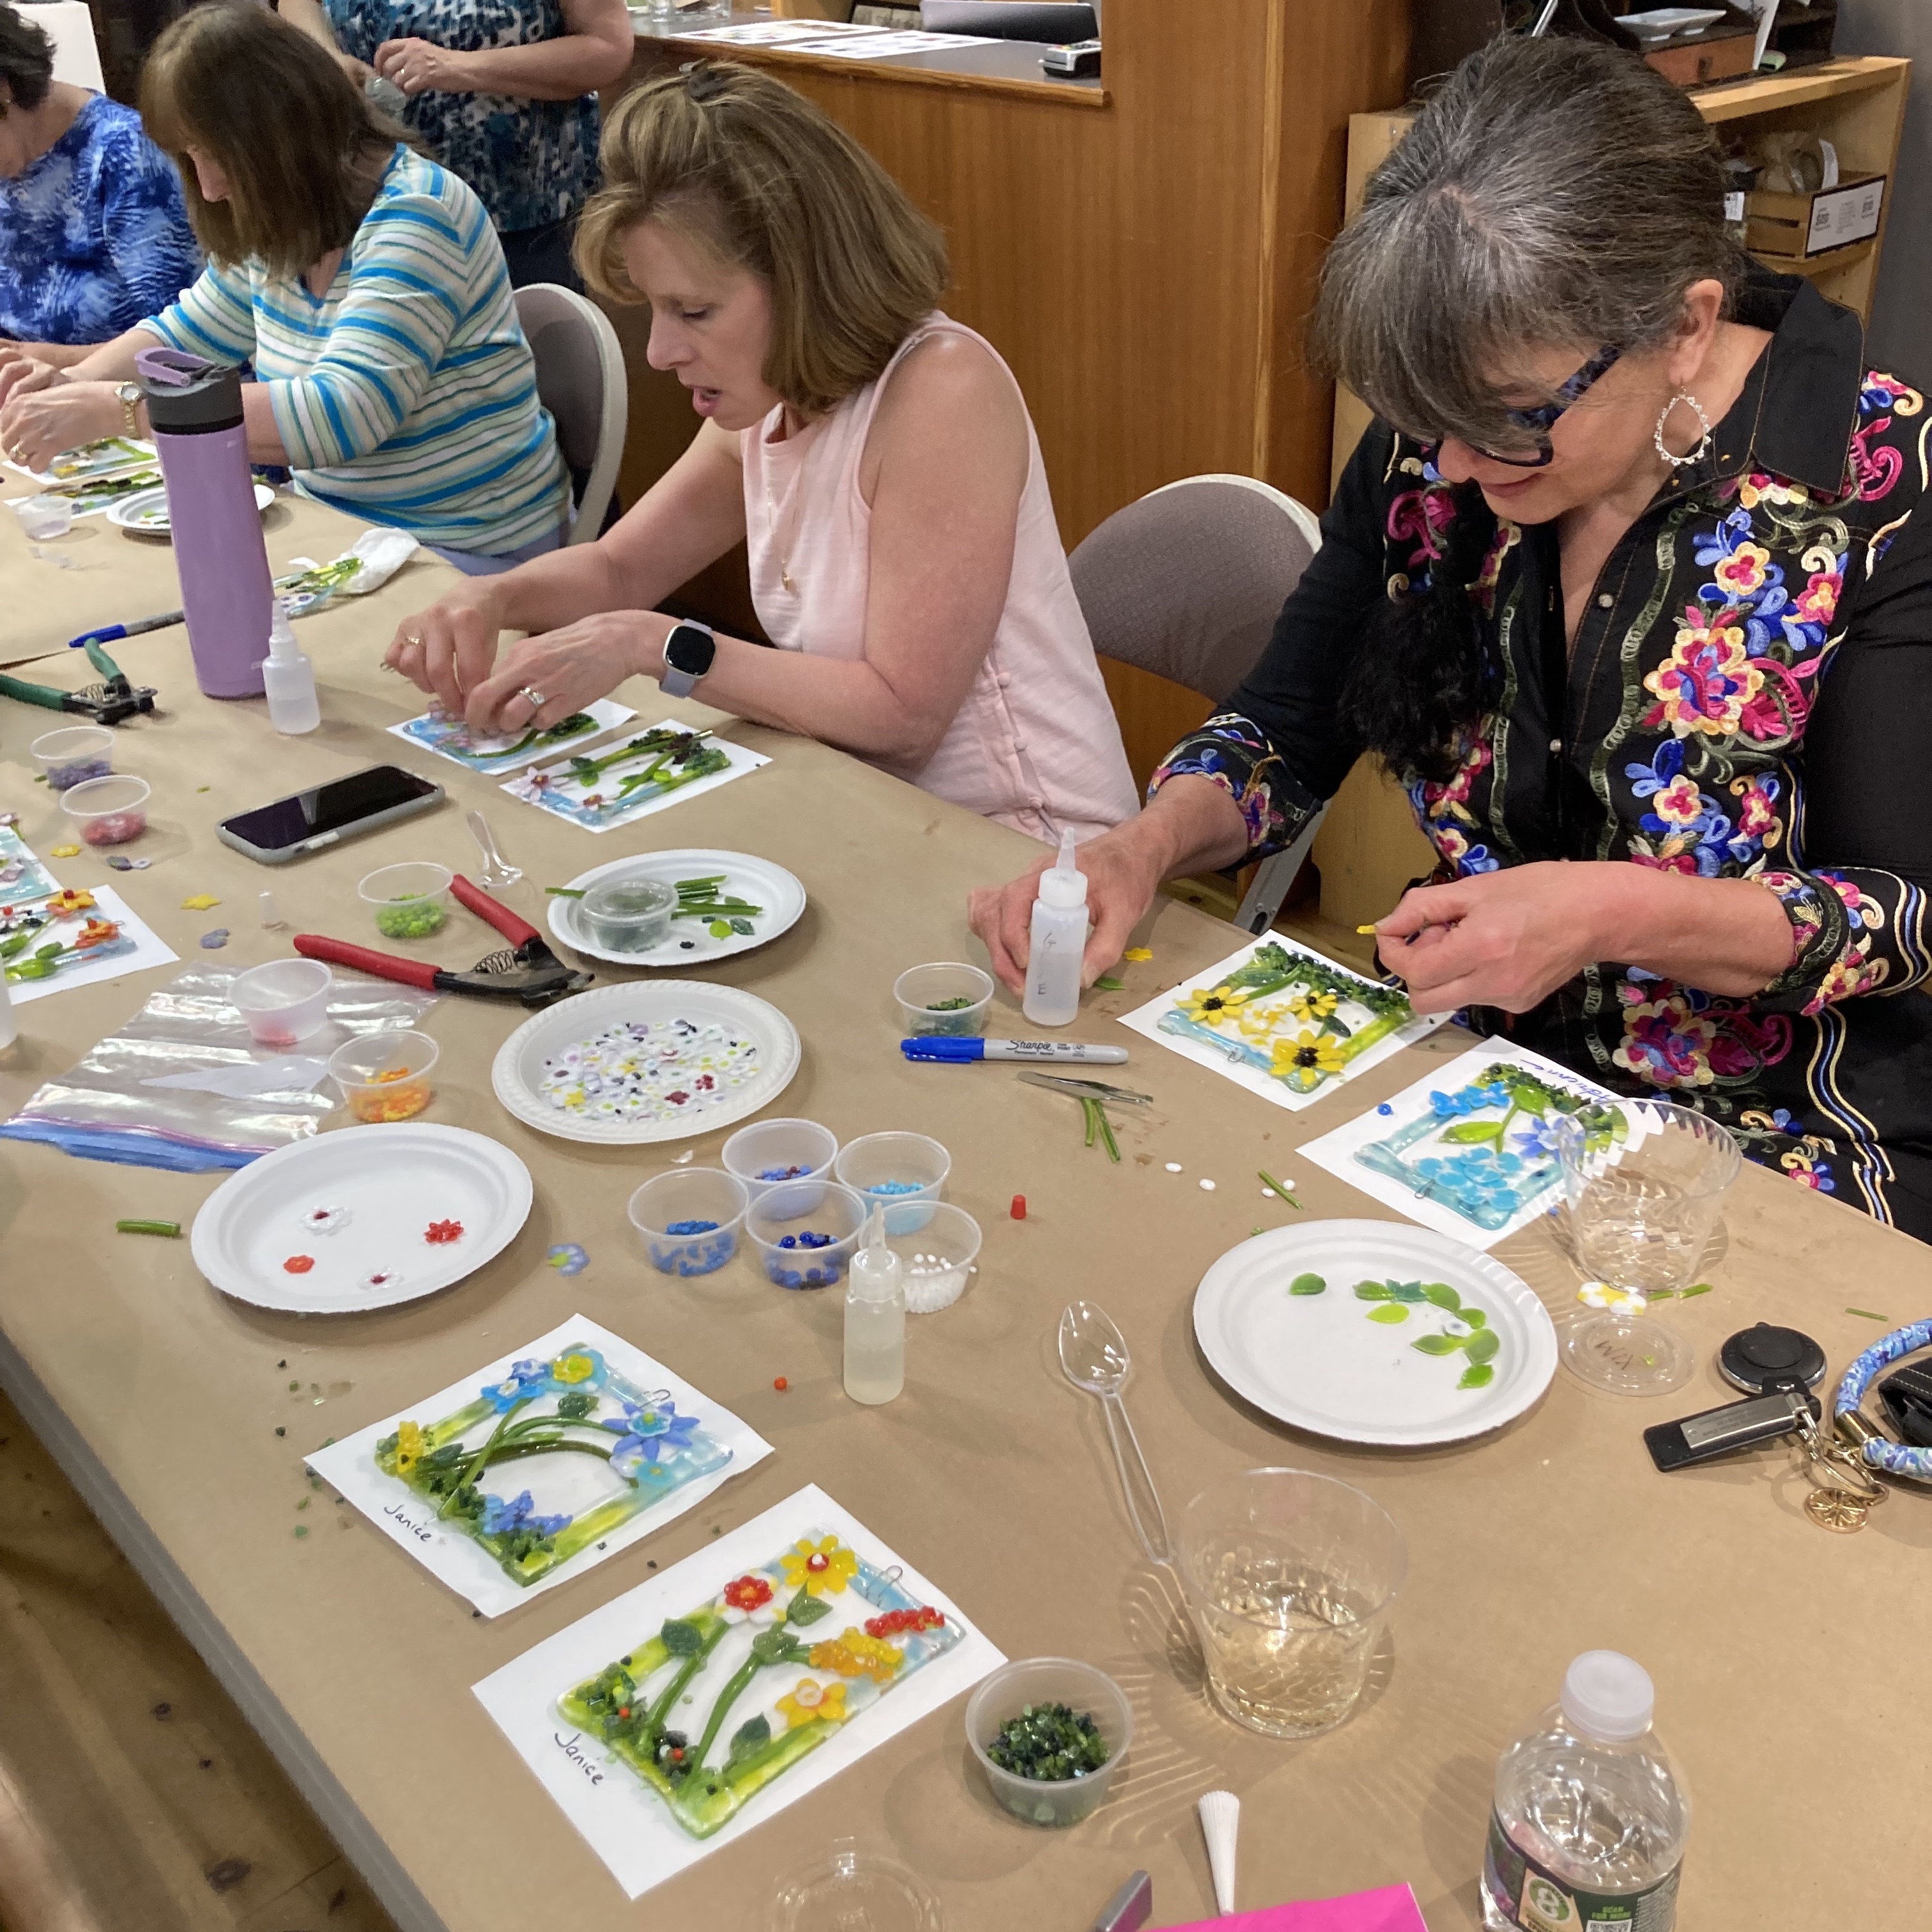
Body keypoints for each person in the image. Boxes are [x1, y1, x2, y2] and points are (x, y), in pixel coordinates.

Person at [969, 36, 1932, 1236]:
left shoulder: (1876, 488)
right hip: (1468, 1077)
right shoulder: (1445, 444)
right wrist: (1142, 843)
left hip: (1768, 1127)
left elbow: (1902, 913)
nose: (1453, 470)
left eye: (1510, 425)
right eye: (1422, 423)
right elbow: (1285, 723)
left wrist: (1602, 913)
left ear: (1683, 327)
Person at [387, 61, 1137, 842]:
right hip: (876, 807)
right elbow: (620, 570)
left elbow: (903, 714)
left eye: (695, 310)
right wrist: (491, 598)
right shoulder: (771, 400)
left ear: (805, 278)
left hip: (1032, 846)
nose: (662, 350)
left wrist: (651, 642)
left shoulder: (941, 393)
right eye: (656, 309)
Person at [0, 3, 569, 572]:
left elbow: (344, 413)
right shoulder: (287, 216)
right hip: (345, 531)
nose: (211, 187)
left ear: (283, 135)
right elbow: (191, 329)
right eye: (192, 159)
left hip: (464, 548)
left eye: (216, 156)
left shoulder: (418, 215)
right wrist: (67, 385)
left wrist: (123, 410)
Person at [281, 0, 634, 290]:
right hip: (362, 204)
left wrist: (457, 66)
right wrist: (327, 58)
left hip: (517, 219)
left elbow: (608, 47)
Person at [0, 0, 200, 358]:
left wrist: (28, 361)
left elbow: (185, 346)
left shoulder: (127, 154)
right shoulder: (12, 154)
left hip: (129, 396)